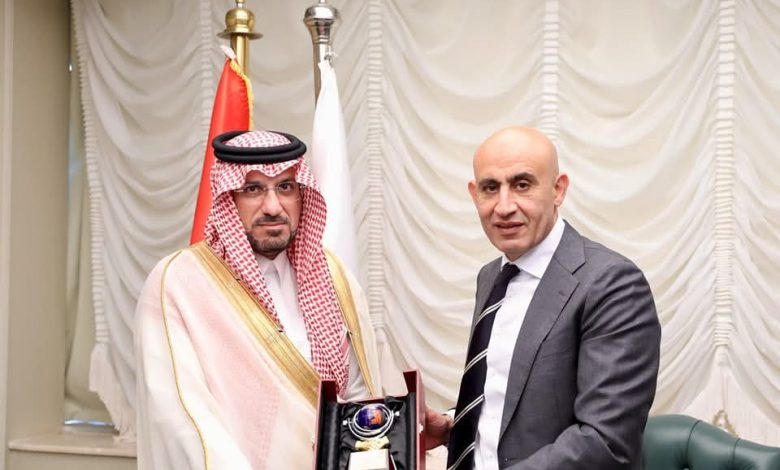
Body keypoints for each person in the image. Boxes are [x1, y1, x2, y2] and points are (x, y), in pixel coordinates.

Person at [134, 129, 382, 470]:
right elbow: (184, 419)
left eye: (286, 187)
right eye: (253, 189)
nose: (273, 207)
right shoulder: (178, 284)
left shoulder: (334, 277)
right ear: (227, 198)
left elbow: (357, 395)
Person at [425, 126, 661, 470]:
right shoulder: (491, 276)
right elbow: (509, 393)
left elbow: (605, 442)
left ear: (558, 189)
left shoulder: (612, 283)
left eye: (522, 185)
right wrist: (452, 426)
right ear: (474, 194)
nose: (504, 207)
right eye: (490, 188)